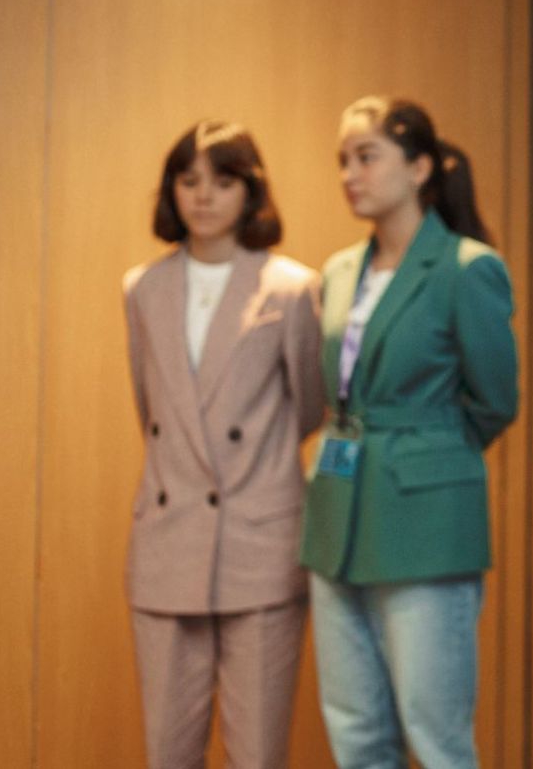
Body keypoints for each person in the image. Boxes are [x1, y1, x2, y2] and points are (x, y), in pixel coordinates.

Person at [300, 97, 519, 769]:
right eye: (343, 160)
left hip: (427, 523)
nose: (350, 174)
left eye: (367, 157)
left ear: (420, 167)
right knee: (355, 731)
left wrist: (425, 454)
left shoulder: (466, 267)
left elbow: (494, 401)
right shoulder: (339, 270)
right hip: (337, 518)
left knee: (435, 734)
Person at [122, 120, 325, 769]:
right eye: (188, 180)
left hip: (259, 542)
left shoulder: (292, 287)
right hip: (168, 537)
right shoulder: (142, 288)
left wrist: (256, 468)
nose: (203, 195)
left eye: (222, 180)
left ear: (250, 190)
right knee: (167, 751)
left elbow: (310, 405)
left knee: (258, 753)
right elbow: (156, 410)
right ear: (170, 190)